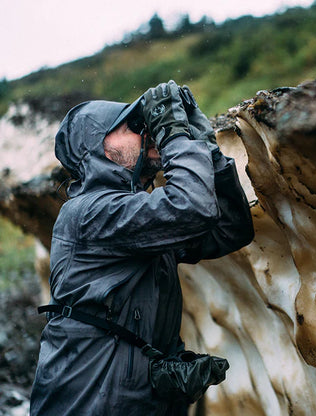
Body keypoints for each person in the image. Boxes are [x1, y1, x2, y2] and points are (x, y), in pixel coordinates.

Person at [30, 80, 254, 415]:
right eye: (134, 126)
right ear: (98, 147)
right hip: (89, 402)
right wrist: (176, 136)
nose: (147, 131)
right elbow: (191, 209)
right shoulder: (90, 213)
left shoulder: (134, 215)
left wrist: (205, 146)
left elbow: (230, 229)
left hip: (130, 399)